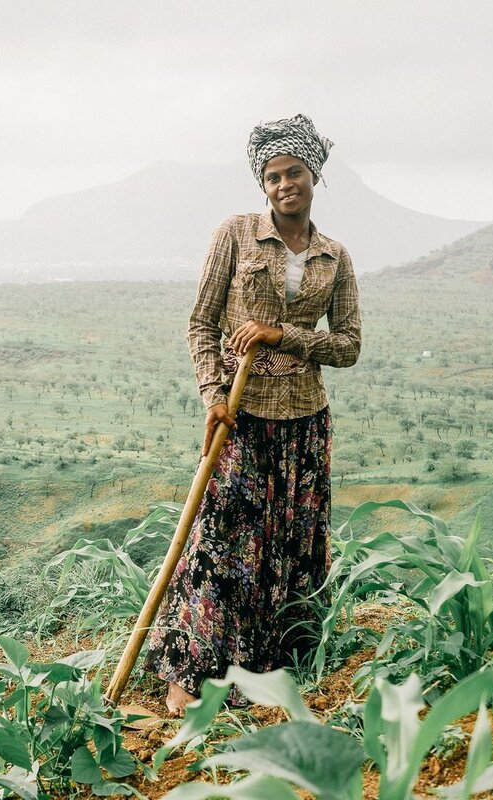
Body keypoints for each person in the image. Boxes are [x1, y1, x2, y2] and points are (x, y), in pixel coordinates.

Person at [145, 114, 361, 714]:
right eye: (272, 176)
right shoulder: (236, 235)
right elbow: (201, 323)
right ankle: (186, 683)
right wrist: (212, 396)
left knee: (292, 544)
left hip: (305, 419)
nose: (284, 184)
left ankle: (266, 678)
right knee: (223, 542)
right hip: (242, 415)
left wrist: (283, 335)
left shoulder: (334, 256)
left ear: (314, 175)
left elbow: (347, 345)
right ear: (262, 185)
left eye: (294, 172)